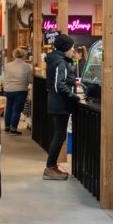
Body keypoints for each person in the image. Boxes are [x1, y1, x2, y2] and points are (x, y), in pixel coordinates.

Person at [43, 34, 80, 181]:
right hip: (60, 104)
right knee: (59, 136)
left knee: (59, 135)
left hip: (57, 102)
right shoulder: (61, 62)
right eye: (71, 47)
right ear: (65, 48)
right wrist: (74, 97)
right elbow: (59, 85)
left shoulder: (55, 60)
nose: (72, 50)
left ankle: (52, 166)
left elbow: (58, 82)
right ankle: (50, 167)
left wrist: (71, 83)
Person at [1, 47, 33, 135]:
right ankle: (13, 129)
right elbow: (30, 80)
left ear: (14, 55)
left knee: (9, 108)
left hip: (8, 90)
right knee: (17, 109)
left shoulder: (7, 65)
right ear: (23, 55)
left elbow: (6, 78)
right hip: (20, 90)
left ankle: (7, 127)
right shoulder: (27, 66)